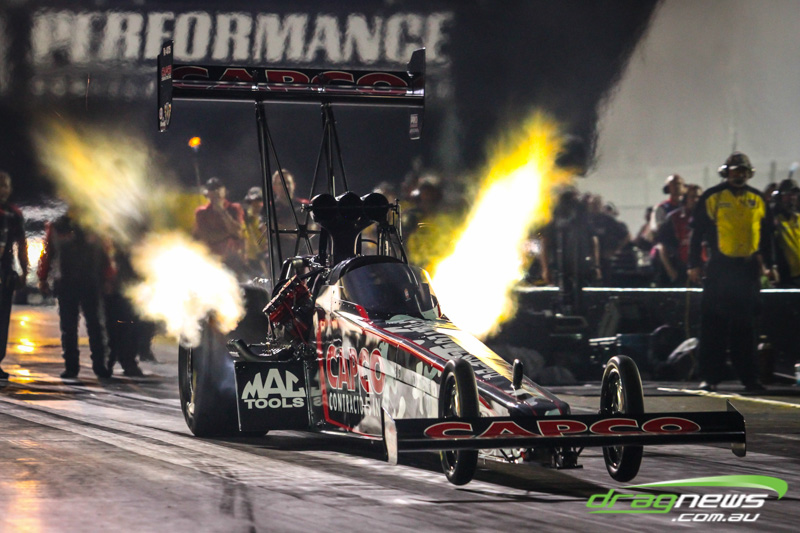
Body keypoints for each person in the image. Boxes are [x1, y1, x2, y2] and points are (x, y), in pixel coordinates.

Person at [688, 152, 775, 392]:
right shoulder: (712, 197)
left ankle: (750, 378)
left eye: (743, 171)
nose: (739, 175)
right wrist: (693, 264)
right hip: (719, 268)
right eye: (735, 171)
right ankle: (709, 377)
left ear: (749, 173)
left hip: (747, 270)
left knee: (746, 327)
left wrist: (770, 265)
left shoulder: (758, 198)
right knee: (713, 324)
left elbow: (767, 236)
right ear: (726, 173)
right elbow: (696, 234)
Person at [37, 208, 113, 379]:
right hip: (70, 282)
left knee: (91, 325)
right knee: (73, 326)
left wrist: (107, 276)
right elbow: (48, 252)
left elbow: (104, 252)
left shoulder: (92, 224)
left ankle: (94, 365)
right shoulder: (59, 225)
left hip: (87, 281)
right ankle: (78, 366)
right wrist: (43, 277)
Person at [0, 171, 28, 380]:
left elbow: (21, 244)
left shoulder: (14, 214)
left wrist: (24, 271)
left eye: (5, 186)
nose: (3, 190)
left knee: (2, 321)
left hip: (5, 273)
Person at [653, 184, 702, 286]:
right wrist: (671, 271)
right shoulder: (674, 218)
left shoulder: (706, 217)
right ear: (685, 198)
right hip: (680, 268)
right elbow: (662, 246)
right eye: (692, 197)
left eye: (699, 197)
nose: (696, 200)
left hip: (702, 268)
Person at [193, 177, 245, 271]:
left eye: (218, 188)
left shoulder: (234, 208)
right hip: (211, 259)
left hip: (232, 259)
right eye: (212, 189)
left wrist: (222, 211)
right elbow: (206, 236)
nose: (216, 192)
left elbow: (238, 232)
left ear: (224, 190)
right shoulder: (201, 212)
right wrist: (228, 233)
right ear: (208, 193)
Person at [772, 178, 800, 287]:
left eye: (794, 194)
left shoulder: (797, 218)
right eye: (787, 194)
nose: (792, 198)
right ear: (780, 197)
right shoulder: (774, 219)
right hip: (785, 276)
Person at [242, 186, 269, 276]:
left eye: (259, 201)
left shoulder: (264, 218)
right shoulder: (245, 219)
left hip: (264, 258)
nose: (256, 204)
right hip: (250, 259)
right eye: (253, 201)